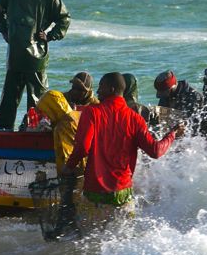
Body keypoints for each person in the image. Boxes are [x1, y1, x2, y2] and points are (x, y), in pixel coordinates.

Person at [63, 72, 184, 233]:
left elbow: (83, 148)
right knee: (123, 240)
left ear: (111, 89)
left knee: (89, 241)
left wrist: (69, 166)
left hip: (95, 192)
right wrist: (172, 134)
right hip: (122, 192)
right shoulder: (135, 119)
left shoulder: (91, 113)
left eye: (101, 88)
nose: (97, 92)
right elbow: (155, 151)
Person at [0, 0, 70, 129]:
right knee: (9, 97)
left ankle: (34, 129)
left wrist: (50, 36)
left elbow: (64, 18)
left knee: (37, 98)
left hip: (36, 55)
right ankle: (3, 129)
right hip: (14, 54)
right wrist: (4, 30)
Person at [35, 90, 84, 238]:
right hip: (85, 170)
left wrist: (63, 174)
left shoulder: (62, 125)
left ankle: (65, 234)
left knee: (67, 206)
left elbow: (67, 153)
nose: (46, 116)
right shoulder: (76, 115)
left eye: (46, 111)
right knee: (71, 208)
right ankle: (71, 231)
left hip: (71, 174)